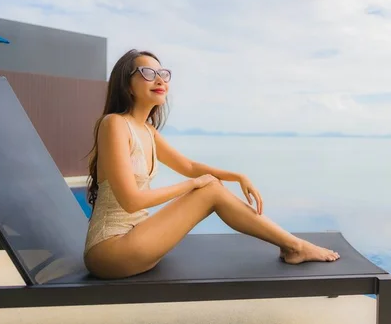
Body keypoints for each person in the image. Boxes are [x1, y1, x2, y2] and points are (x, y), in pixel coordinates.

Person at [83, 49, 340, 279]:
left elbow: (190, 166)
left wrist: (236, 175)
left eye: (163, 73)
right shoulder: (115, 124)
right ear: (126, 84)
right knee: (210, 190)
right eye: (148, 73)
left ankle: (293, 245)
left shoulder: (148, 131)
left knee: (212, 187)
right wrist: (194, 185)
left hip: (139, 240)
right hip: (111, 251)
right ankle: (294, 247)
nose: (160, 79)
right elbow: (132, 200)